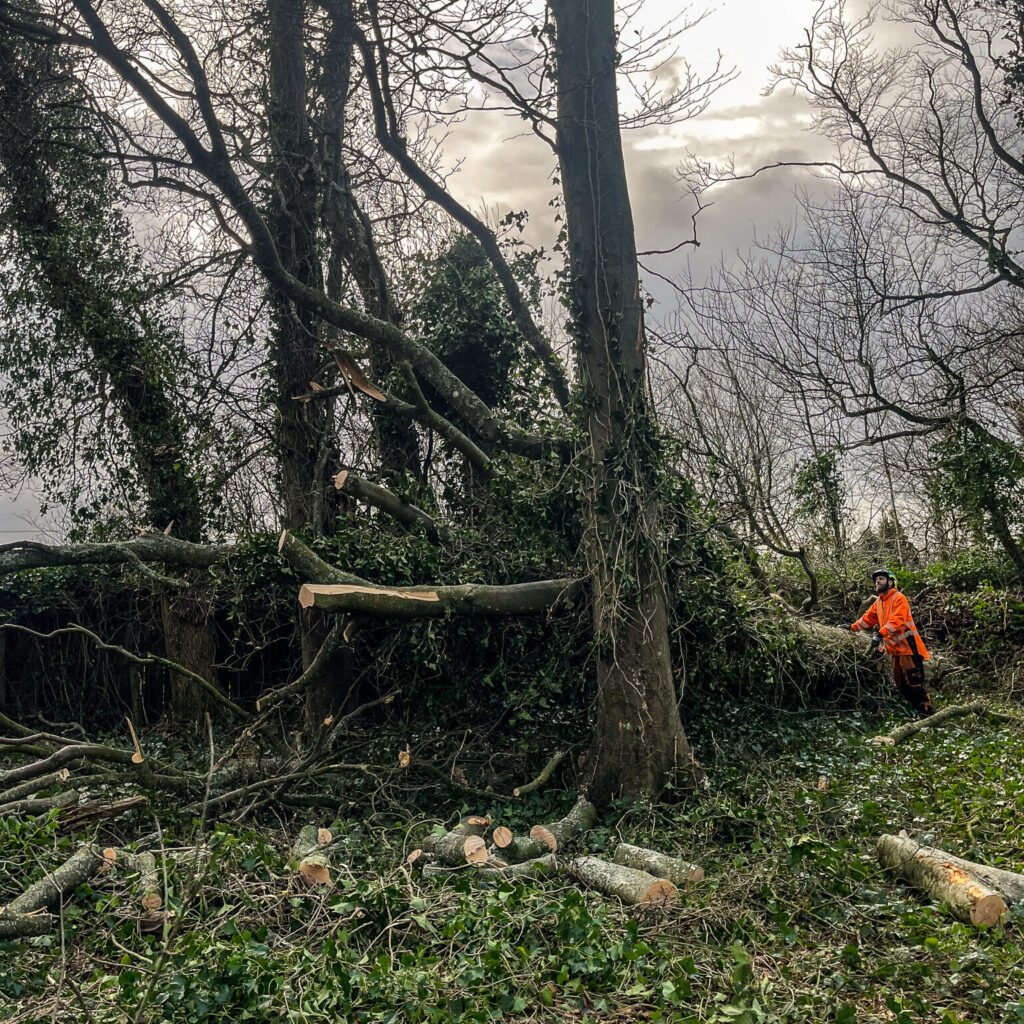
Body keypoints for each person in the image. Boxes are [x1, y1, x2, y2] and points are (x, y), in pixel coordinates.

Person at [851, 568, 934, 716]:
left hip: (908, 646)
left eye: (881, 579)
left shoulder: (899, 598)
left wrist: (880, 634)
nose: (878, 581)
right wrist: (853, 628)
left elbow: (897, 620)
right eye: (876, 580)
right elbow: (867, 618)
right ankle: (914, 710)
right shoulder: (879, 603)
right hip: (894, 649)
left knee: (914, 681)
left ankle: (926, 711)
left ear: (890, 582)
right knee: (900, 683)